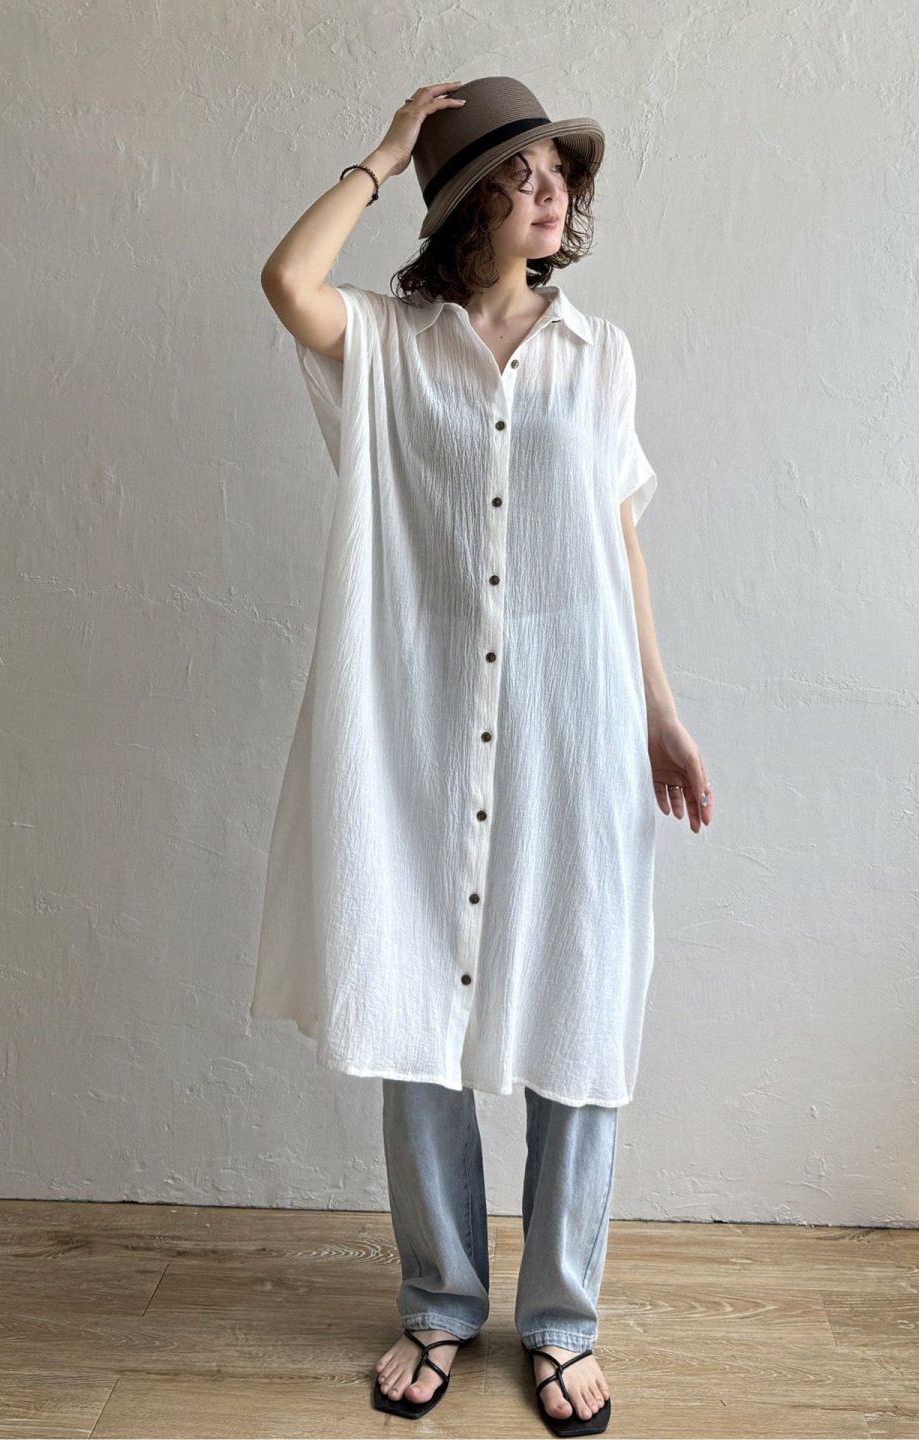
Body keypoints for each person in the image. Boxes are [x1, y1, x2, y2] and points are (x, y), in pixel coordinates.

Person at [254, 76, 714, 1436]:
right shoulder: (389, 346)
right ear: (462, 207)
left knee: (580, 1011)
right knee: (418, 1009)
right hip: (416, 732)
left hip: (575, 734)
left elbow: (618, 537)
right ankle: (441, 1302)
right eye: (517, 173)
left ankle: (562, 1322)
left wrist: (661, 712)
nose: (549, 190)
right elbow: (286, 282)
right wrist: (383, 154)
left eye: (557, 171)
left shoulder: (600, 355)